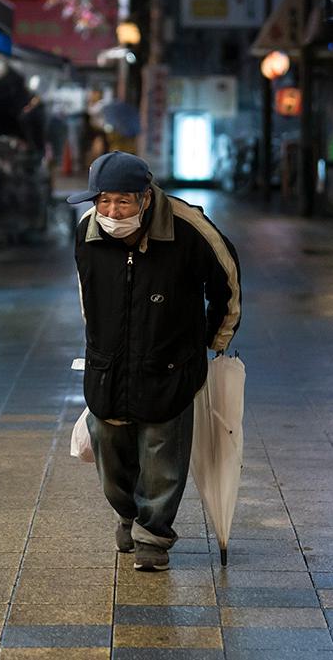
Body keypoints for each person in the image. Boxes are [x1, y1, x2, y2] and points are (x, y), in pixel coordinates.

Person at [68, 152, 241, 571]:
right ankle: (128, 513)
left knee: (163, 456)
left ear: (146, 197)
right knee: (110, 451)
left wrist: (216, 339)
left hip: (171, 363)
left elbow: (227, 281)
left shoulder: (189, 229)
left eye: (122, 202)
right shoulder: (87, 230)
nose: (111, 212)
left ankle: (153, 535)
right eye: (103, 201)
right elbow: (87, 292)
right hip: (109, 364)